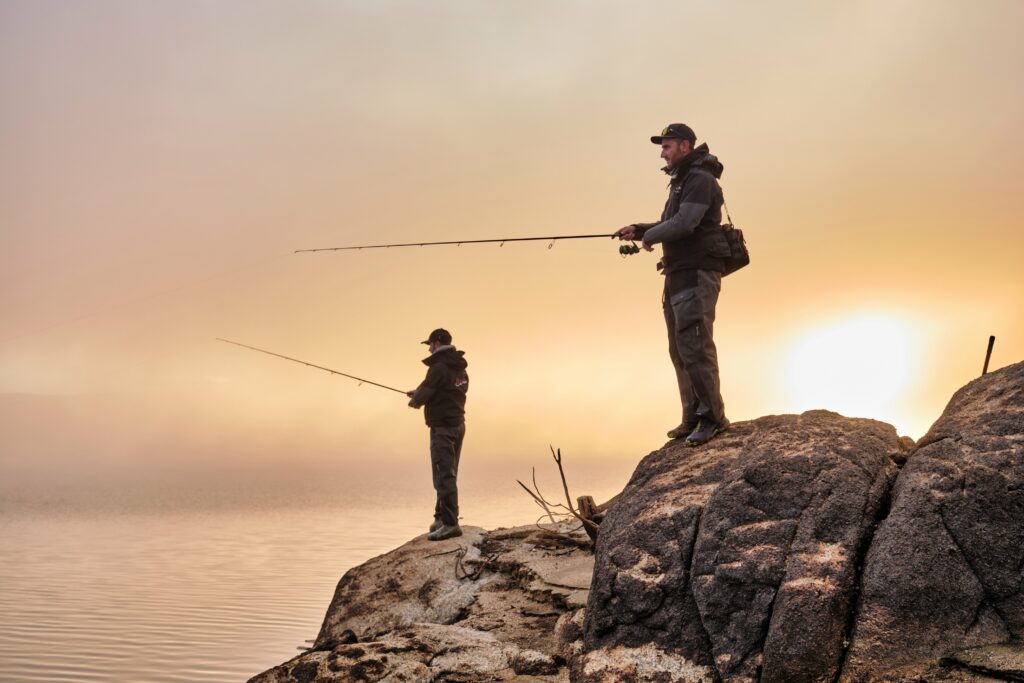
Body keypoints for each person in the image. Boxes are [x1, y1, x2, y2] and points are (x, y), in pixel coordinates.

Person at [616, 123, 730, 446]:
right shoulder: (681, 182)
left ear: (684, 146)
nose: (663, 154)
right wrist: (638, 229)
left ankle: (713, 419)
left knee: (696, 346)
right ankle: (692, 416)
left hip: (697, 274)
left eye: (666, 147)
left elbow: (686, 223)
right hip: (677, 276)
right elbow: (669, 223)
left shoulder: (700, 179)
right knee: (679, 349)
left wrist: (650, 236)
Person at [407, 328, 469, 541]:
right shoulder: (458, 367)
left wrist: (415, 400)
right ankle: (441, 517)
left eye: (430, 344)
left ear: (436, 343)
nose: (429, 348)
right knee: (449, 473)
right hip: (459, 424)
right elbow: (443, 390)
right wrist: (421, 392)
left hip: (443, 428)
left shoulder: (439, 367)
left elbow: (424, 394)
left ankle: (450, 524)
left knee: (443, 475)